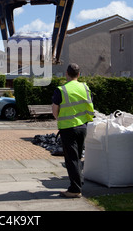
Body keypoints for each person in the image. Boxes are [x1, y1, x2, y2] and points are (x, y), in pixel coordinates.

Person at [52, 63, 94, 198]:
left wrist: (60, 118)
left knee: (71, 159)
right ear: (79, 74)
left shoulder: (61, 90)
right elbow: (90, 105)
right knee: (78, 157)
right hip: (83, 127)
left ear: (66, 74)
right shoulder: (85, 88)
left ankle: (75, 189)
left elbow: (54, 111)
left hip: (68, 128)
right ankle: (78, 183)